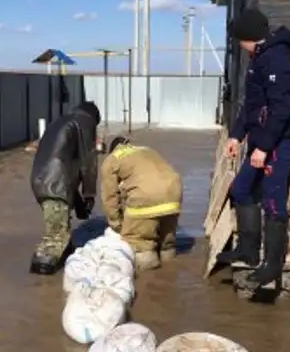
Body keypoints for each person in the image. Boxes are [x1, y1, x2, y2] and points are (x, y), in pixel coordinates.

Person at [215, 8, 290, 287]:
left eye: (240, 39)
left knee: (273, 201)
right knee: (241, 190)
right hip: (259, 140)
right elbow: (251, 106)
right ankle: (249, 250)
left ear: (249, 37)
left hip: (277, 142)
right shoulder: (259, 58)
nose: (239, 45)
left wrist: (263, 147)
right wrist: (236, 136)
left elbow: (281, 110)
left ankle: (272, 266)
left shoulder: (278, 59)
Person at [29, 101, 101, 275]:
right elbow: (88, 163)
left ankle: (64, 256)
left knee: (61, 226)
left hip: (41, 181)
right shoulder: (85, 123)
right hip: (55, 184)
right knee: (55, 236)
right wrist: (90, 194)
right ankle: (42, 280)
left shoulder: (61, 122)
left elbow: (67, 169)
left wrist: (79, 205)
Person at [100, 136, 183, 270]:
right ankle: (170, 275)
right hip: (174, 193)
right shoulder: (146, 150)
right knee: (167, 245)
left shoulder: (112, 160)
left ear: (112, 150)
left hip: (147, 196)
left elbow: (110, 197)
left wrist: (117, 224)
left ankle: (149, 282)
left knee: (140, 244)